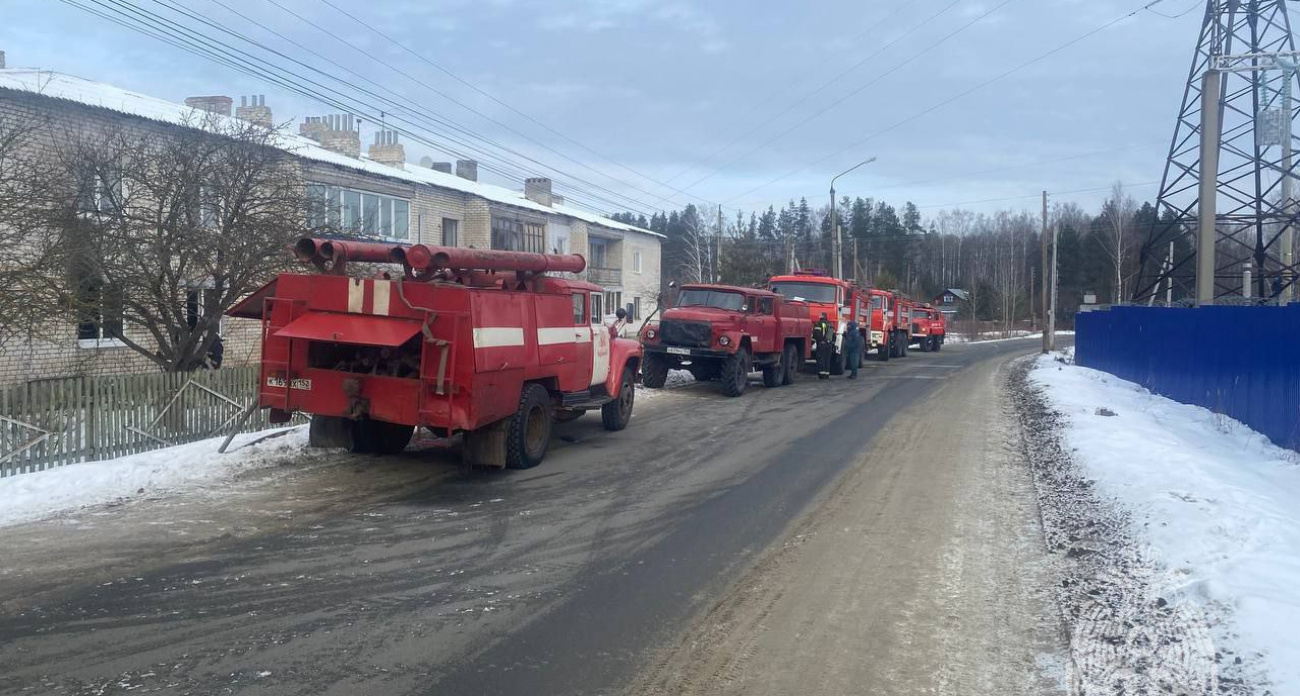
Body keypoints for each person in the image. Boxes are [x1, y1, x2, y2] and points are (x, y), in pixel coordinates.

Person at [812, 313, 833, 380]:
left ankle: (821, 375)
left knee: (821, 359)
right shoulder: (830, 324)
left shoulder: (818, 324)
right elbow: (833, 335)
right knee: (827, 359)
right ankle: (827, 375)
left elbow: (816, 335)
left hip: (822, 344)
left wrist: (813, 341)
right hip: (829, 344)